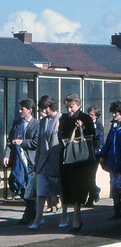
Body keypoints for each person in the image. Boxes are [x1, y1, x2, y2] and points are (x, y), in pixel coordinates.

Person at [59, 94, 95, 233]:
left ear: (79, 106)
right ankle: (69, 219)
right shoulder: (64, 119)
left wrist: (82, 127)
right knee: (68, 189)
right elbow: (60, 135)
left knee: (79, 189)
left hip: (82, 161)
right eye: (67, 107)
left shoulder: (86, 118)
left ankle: (76, 220)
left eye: (72, 107)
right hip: (68, 159)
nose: (69, 110)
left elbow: (92, 135)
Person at [28, 95, 63, 230]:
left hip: (56, 161)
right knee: (40, 191)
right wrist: (36, 161)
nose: (41, 111)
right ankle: (38, 218)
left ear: (48, 108)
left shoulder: (61, 119)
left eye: (42, 108)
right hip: (43, 162)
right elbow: (39, 145)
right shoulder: (42, 122)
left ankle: (64, 216)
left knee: (60, 190)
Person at [4, 99, 39, 224]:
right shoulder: (17, 123)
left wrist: (22, 142)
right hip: (18, 160)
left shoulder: (37, 124)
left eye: (22, 109)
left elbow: (36, 142)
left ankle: (28, 214)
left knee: (28, 186)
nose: (20, 111)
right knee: (14, 182)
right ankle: (32, 208)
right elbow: (9, 141)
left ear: (30, 110)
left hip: (30, 161)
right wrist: (6, 155)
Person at [85, 106, 104, 206]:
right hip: (85, 154)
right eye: (89, 114)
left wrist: (95, 152)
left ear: (96, 116)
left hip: (94, 156)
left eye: (92, 115)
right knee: (86, 177)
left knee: (91, 177)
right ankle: (95, 190)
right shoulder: (85, 125)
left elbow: (99, 142)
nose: (90, 116)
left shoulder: (99, 127)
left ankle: (90, 199)